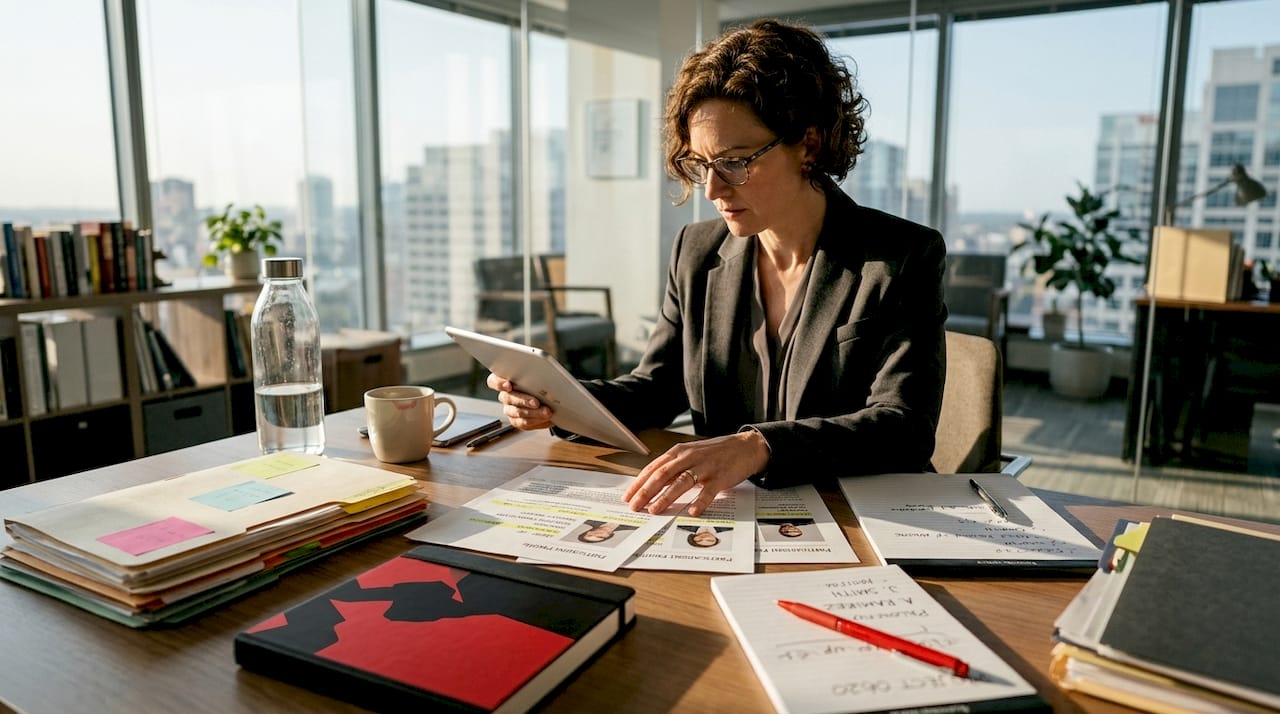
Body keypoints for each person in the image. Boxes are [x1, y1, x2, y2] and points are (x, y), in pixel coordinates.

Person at [489, 19, 945, 518]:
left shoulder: (901, 256)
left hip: (857, 519)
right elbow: (657, 387)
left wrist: (757, 447)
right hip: (724, 520)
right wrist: (559, 399)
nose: (712, 190)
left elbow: (904, 427)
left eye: (734, 162)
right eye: (700, 164)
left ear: (808, 145)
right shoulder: (696, 250)